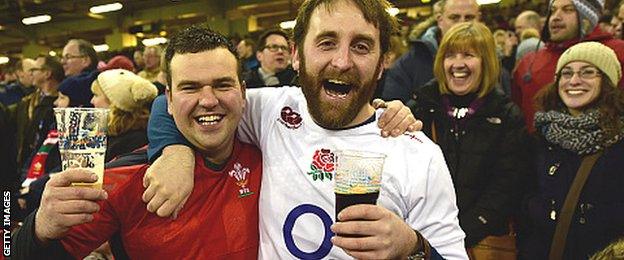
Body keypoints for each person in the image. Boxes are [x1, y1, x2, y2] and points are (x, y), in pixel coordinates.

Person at [145, 0, 466, 259]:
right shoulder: (270, 110)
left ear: (383, 61)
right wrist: (174, 151)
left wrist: (412, 247)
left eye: (362, 46)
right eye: (326, 43)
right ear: (297, 55)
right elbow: (177, 103)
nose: (342, 62)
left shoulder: (417, 152)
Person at [12, 26, 262, 259]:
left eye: (222, 84)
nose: (208, 100)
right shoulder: (124, 179)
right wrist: (39, 228)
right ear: (169, 101)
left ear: (243, 93)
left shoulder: (272, 151)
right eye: (190, 88)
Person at [409, 21, 530, 253]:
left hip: (479, 239)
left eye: (468, 55)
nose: (458, 64)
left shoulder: (507, 116)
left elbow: (508, 186)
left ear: (487, 62)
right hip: (423, 238)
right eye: (450, 55)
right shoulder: (421, 107)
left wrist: (459, 233)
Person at [520, 41, 624, 259]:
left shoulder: (618, 139)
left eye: (588, 72)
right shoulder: (540, 138)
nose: (574, 81)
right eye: (566, 73)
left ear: (607, 82)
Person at [512, 0, 624, 132]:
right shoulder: (529, 62)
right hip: (535, 150)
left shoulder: (619, 53)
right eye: (553, 10)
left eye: (568, 9)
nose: (556, 17)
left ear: (588, 16)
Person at [381, 0, 480, 103]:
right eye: (454, 18)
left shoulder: (495, 59)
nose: (462, 24)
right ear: (440, 20)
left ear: (479, 19)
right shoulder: (408, 63)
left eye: (469, 18)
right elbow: (392, 109)